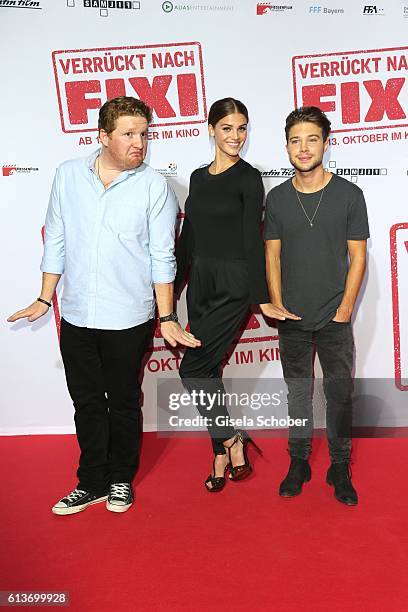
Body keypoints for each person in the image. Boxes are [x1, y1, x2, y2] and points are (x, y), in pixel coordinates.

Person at [8, 96, 200, 515]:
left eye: (144, 135)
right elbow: (56, 239)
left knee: (124, 401)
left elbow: (162, 257)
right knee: (87, 402)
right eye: (129, 134)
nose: (139, 144)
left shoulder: (154, 187)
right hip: (76, 314)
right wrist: (45, 297)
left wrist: (167, 315)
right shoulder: (67, 176)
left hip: (128, 316)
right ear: (103, 136)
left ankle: (120, 480)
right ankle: (91, 480)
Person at [175, 97, 299, 492]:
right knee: (207, 371)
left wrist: (259, 297)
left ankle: (229, 438)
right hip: (201, 282)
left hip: (234, 283)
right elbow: (188, 238)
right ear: (210, 129)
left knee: (192, 369)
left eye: (242, 128)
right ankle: (222, 451)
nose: (235, 136)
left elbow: (252, 240)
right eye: (227, 128)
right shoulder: (196, 178)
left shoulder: (248, 177)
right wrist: (167, 294)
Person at [264, 106, 369, 506]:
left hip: (334, 318)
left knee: (339, 394)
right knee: (297, 394)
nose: (303, 147)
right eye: (295, 140)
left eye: (311, 139)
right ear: (287, 147)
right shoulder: (277, 199)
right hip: (291, 317)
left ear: (326, 143)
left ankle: (339, 465)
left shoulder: (349, 195)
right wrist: (275, 303)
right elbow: (271, 257)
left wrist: (345, 309)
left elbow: (357, 257)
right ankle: (299, 461)